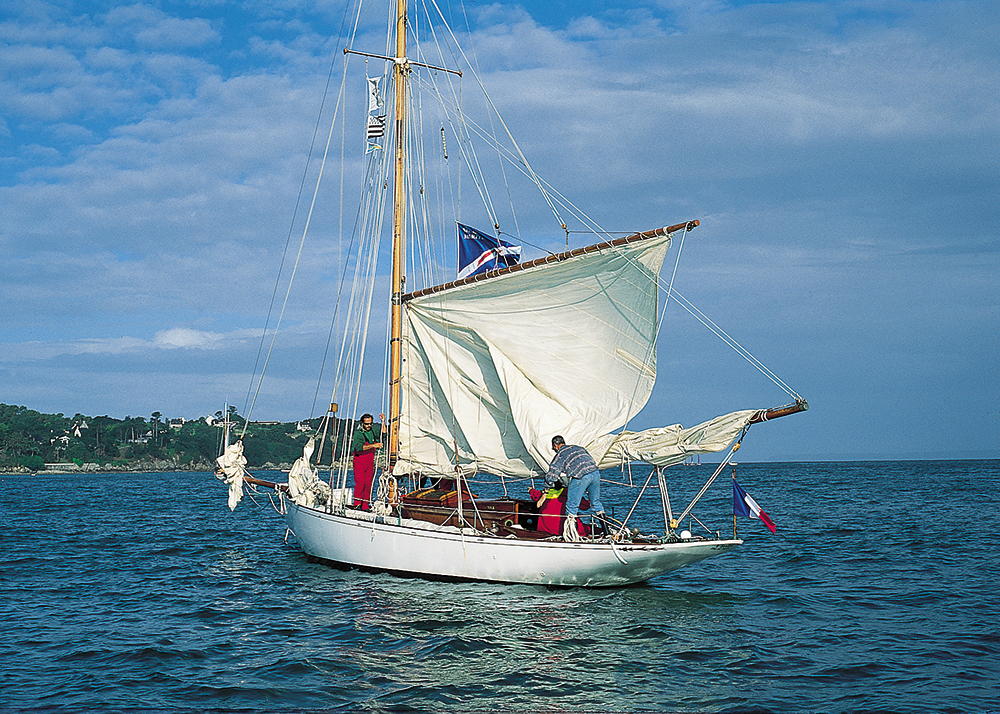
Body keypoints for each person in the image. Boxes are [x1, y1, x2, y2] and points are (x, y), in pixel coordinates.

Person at [544, 435, 606, 541]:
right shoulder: (578, 448)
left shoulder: (560, 454)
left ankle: (573, 536)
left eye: (553, 448)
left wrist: (547, 488)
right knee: (596, 503)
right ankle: (607, 532)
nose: (553, 450)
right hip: (595, 474)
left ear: (555, 445)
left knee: (571, 506)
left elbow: (553, 474)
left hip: (580, 476)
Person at [351, 413, 384, 510]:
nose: (369, 426)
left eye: (370, 423)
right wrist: (374, 445)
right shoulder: (359, 433)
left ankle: (365, 505)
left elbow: (383, 434)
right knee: (360, 483)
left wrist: (383, 422)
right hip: (359, 462)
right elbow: (358, 447)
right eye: (366, 424)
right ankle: (357, 503)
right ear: (362, 423)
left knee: (368, 483)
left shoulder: (373, 430)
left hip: (370, 462)